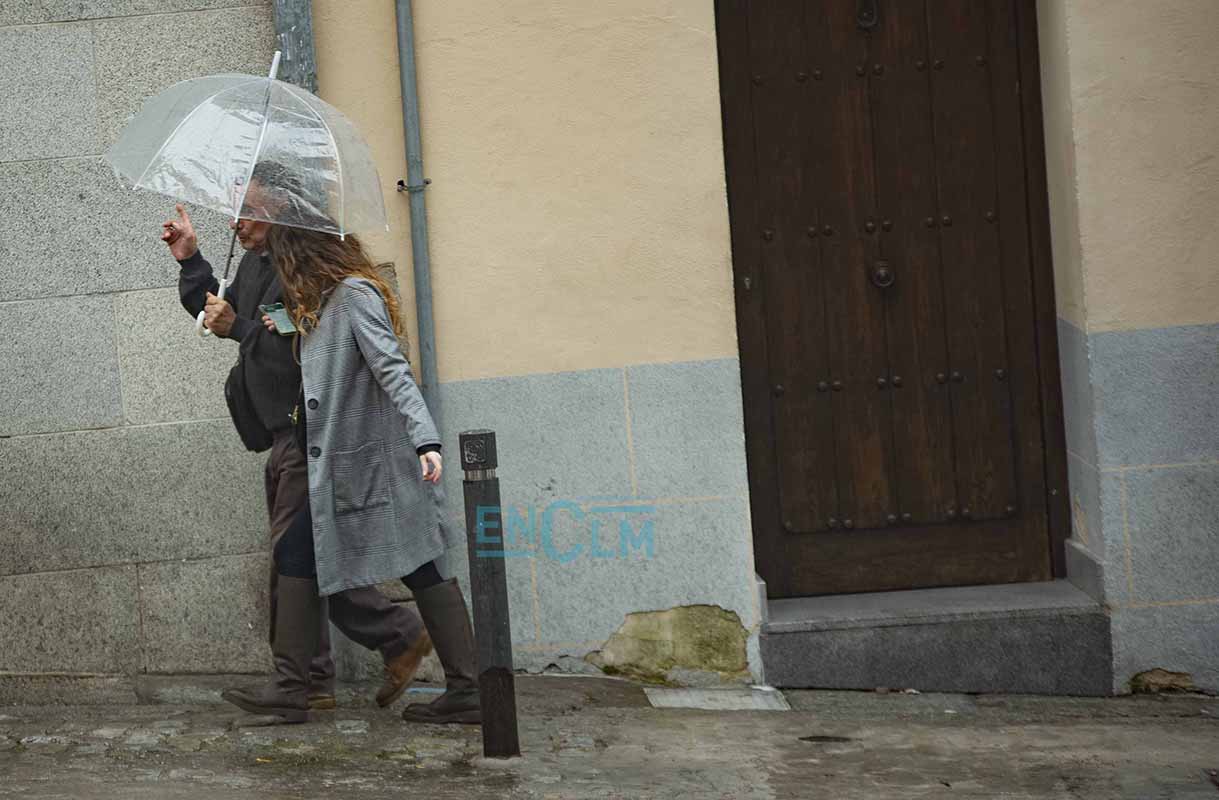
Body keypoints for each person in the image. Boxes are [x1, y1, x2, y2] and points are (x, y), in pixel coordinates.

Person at [163, 166, 431, 716]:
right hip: (279, 434)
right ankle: (314, 677)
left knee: (298, 559)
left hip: (309, 432)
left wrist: (237, 326)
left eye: (248, 210)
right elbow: (222, 311)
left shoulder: (302, 267)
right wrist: (192, 263)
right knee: (298, 559)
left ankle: (385, 639)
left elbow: (296, 336)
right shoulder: (262, 263)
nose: (237, 223)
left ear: (280, 206)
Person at [220, 220, 480, 726]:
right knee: (300, 553)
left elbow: (392, 368)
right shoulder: (316, 308)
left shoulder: (354, 295)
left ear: (302, 259)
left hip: (374, 466)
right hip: (339, 469)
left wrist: (426, 439)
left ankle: (466, 690)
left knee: (421, 562)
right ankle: (293, 688)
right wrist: (285, 330)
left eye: (283, 267)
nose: (280, 279)